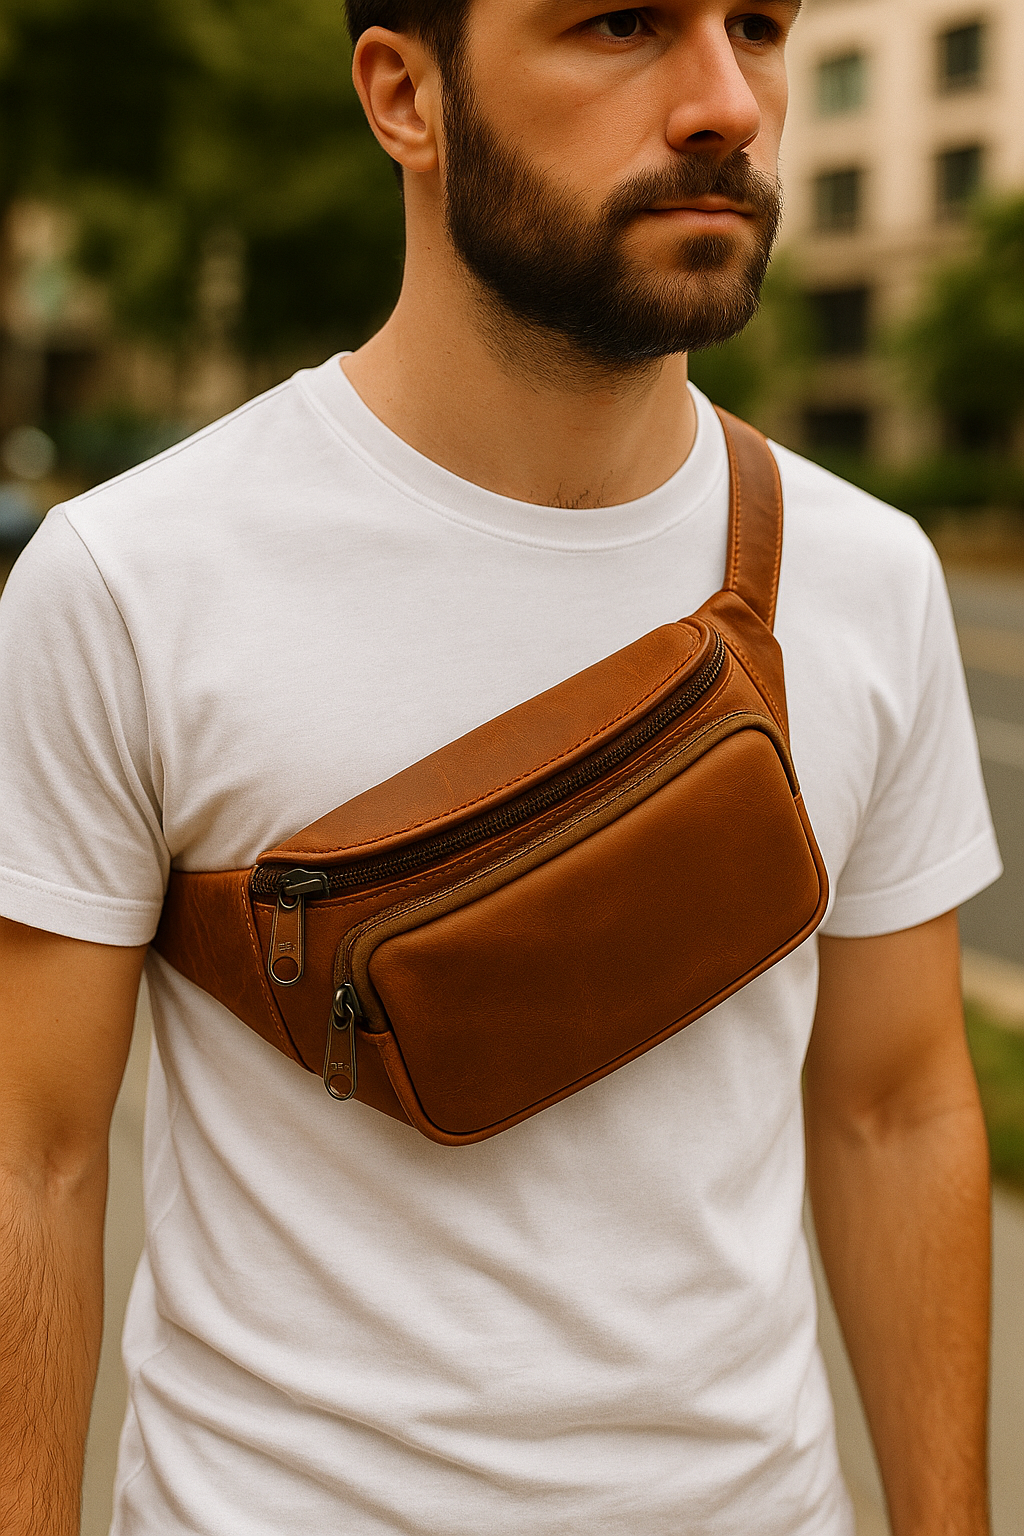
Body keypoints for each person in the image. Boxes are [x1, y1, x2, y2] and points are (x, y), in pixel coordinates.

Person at [0, 2, 1000, 1533]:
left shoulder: (870, 574)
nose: (727, 100)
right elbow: (39, 1156)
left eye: (757, 25)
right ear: (408, 95)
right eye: (623, 23)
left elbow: (896, 1108)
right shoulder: (132, 577)